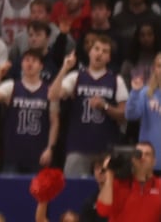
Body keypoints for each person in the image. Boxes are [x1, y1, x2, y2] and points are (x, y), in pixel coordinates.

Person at [52, 36, 130, 177]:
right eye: (96, 49)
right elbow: (52, 95)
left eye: (105, 51)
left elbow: (124, 115)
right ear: (89, 52)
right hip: (78, 147)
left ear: (109, 58)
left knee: (106, 192)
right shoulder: (76, 77)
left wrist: (105, 106)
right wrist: (65, 68)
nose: (99, 53)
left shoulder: (116, 80)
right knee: (72, 190)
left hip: (106, 148)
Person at [0, 51, 56, 174]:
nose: (30, 63)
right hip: (13, 154)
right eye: (27, 60)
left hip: (38, 154)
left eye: (34, 61)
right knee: (9, 192)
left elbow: (54, 122)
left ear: (41, 66)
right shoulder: (11, 86)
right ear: (22, 64)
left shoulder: (49, 91)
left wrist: (50, 148)